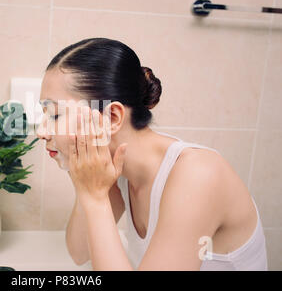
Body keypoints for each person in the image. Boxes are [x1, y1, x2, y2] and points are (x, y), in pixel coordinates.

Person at [36, 37, 267, 271]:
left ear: (112, 117)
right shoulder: (118, 169)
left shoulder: (198, 175)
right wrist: (85, 183)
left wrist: (95, 197)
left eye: (55, 115)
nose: (41, 131)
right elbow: (79, 252)